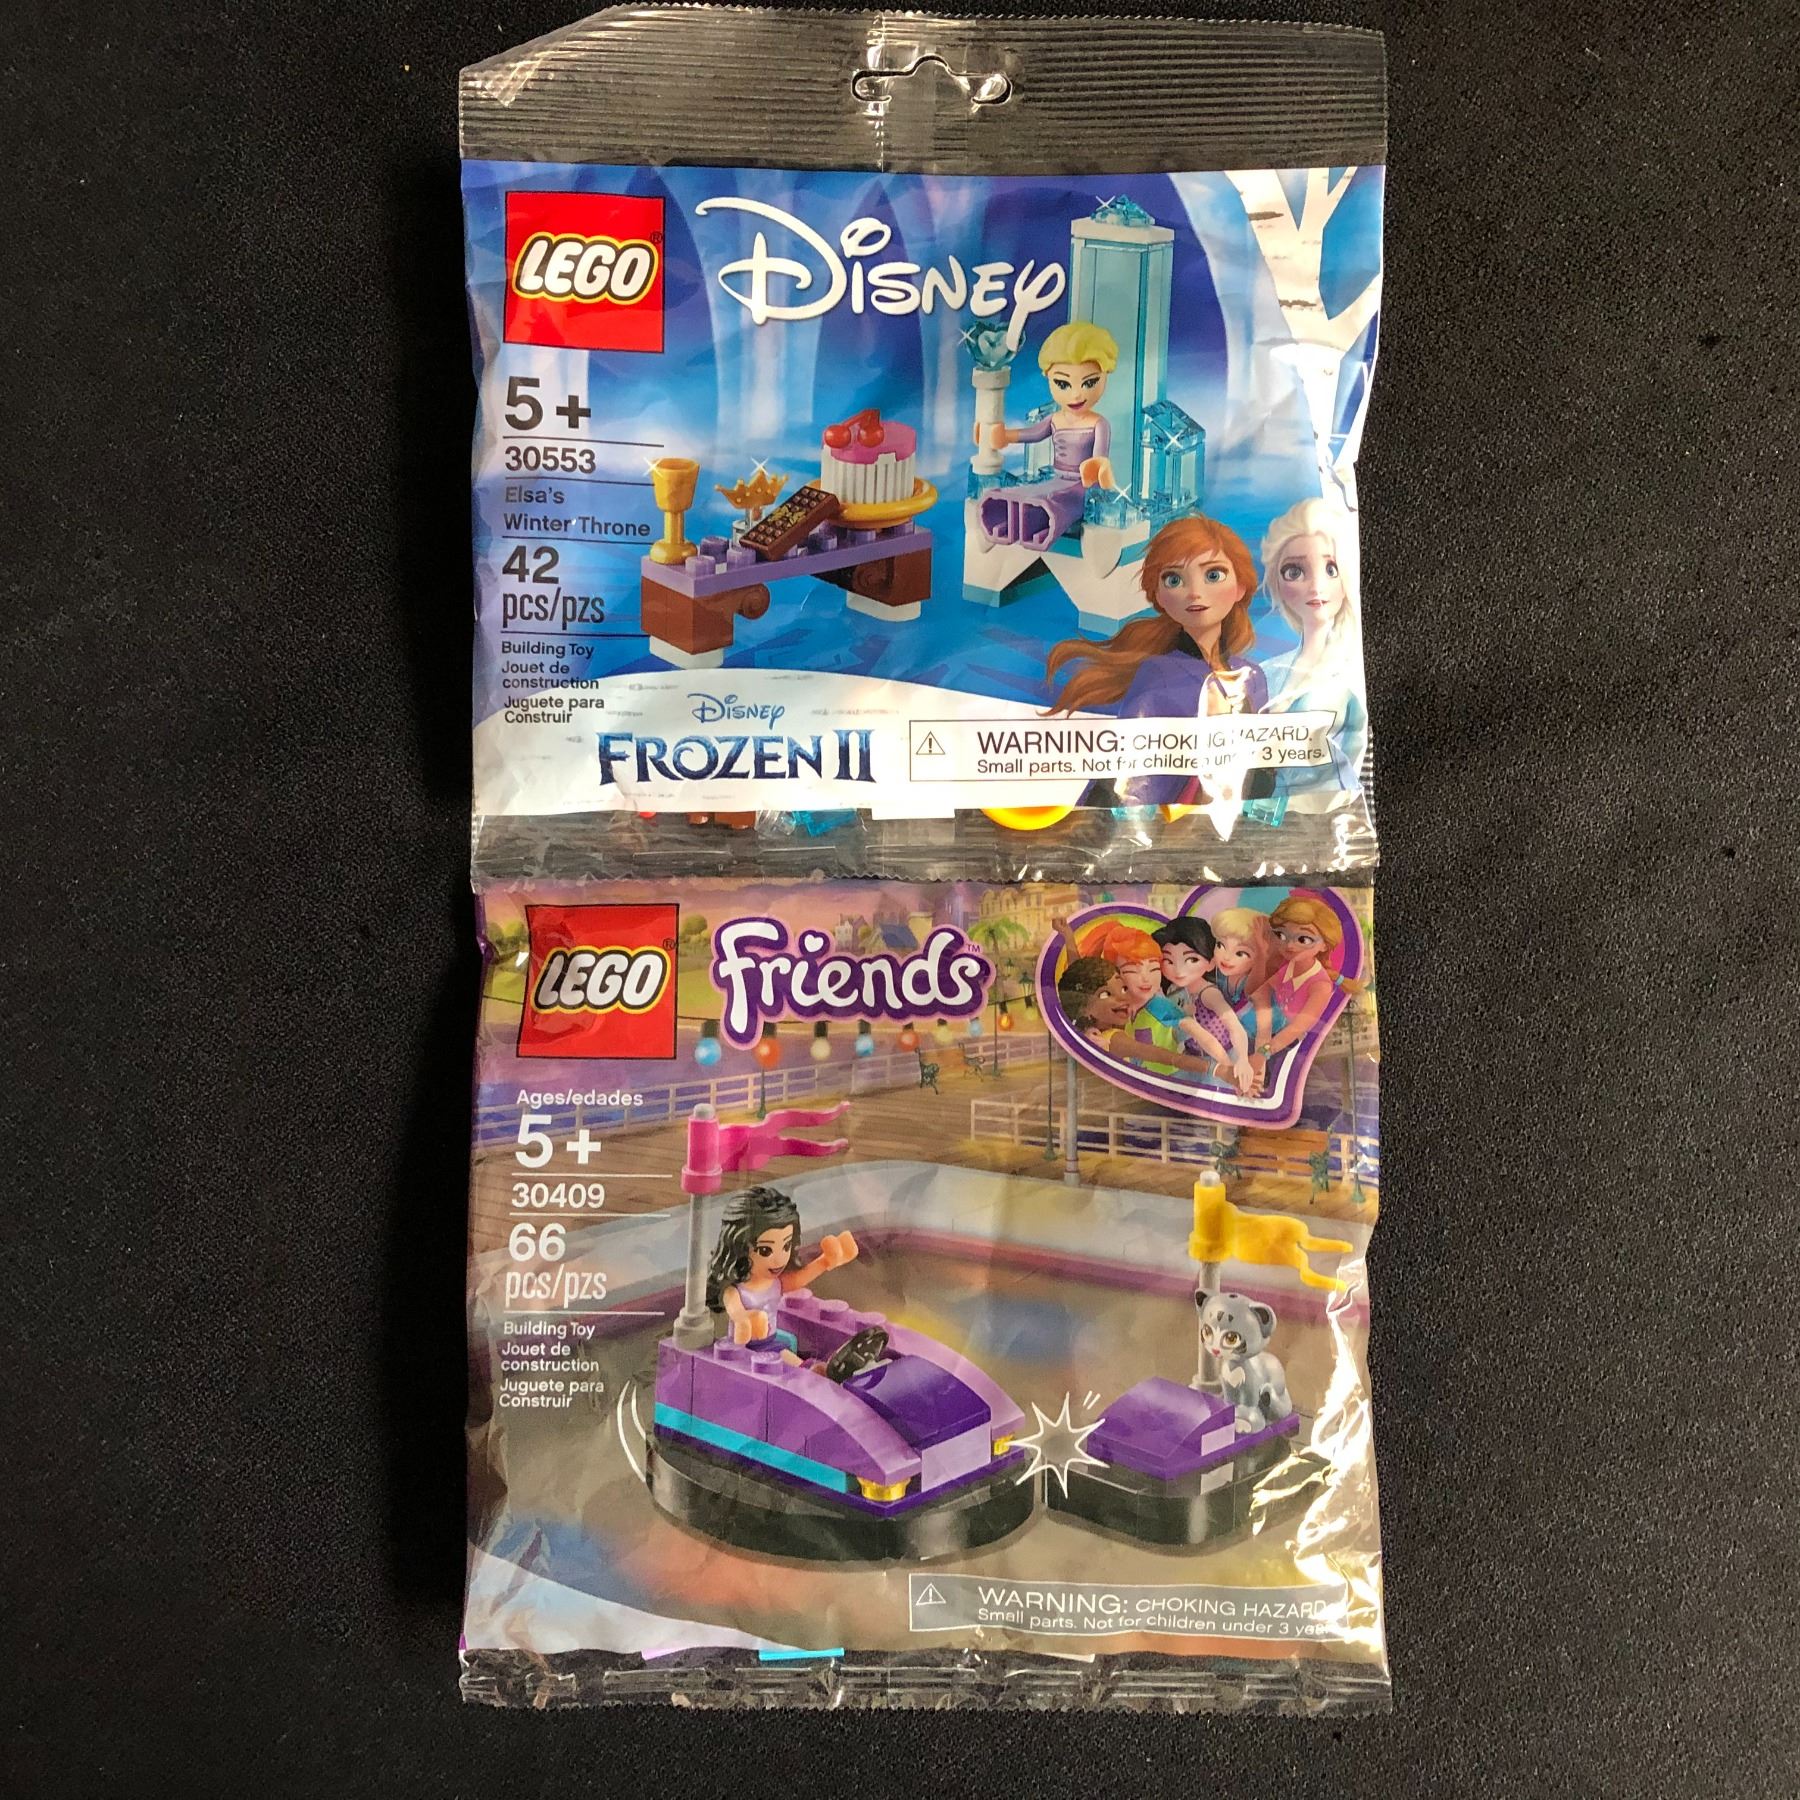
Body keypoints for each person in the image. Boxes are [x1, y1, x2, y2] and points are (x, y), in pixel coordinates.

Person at [1046, 514, 1268, 808]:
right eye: (1174, 579)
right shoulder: (1158, 674)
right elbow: (1123, 769)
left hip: (1235, 819)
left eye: (1213, 575)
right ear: (1159, 597)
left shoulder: (1251, 675)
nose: (1194, 592)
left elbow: (1265, 768)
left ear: (1240, 587)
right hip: (1170, 822)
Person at [1256, 498, 1368, 809]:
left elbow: (1355, 757)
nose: (1316, 586)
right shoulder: (1268, 671)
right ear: (1277, 581)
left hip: (1324, 812)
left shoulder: (1350, 673)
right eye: (1294, 571)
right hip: (1259, 813)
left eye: (1331, 569)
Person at [975, 321, 1118, 549]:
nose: (1076, 394)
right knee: (1026, 491)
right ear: (1049, 378)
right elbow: (1032, 434)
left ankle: (1040, 523)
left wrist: (1099, 467)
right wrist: (1005, 436)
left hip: (1083, 486)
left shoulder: (1098, 424)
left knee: (1060, 500)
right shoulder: (1055, 419)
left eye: (1089, 382)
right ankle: (1005, 520)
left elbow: (1100, 458)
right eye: (1063, 384)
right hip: (1056, 478)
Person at [704, 1185, 858, 1356]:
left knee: (792, 1356)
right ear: (739, 1248)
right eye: (765, 1250)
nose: (779, 1260)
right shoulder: (736, 1291)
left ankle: (814, 1368)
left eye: (786, 1246)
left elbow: (799, 1279)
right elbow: (736, 1312)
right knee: (789, 1359)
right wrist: (744, 1319)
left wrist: (825, 1261)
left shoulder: (775, 1283)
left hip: (771, 1342)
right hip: (745, 1352)